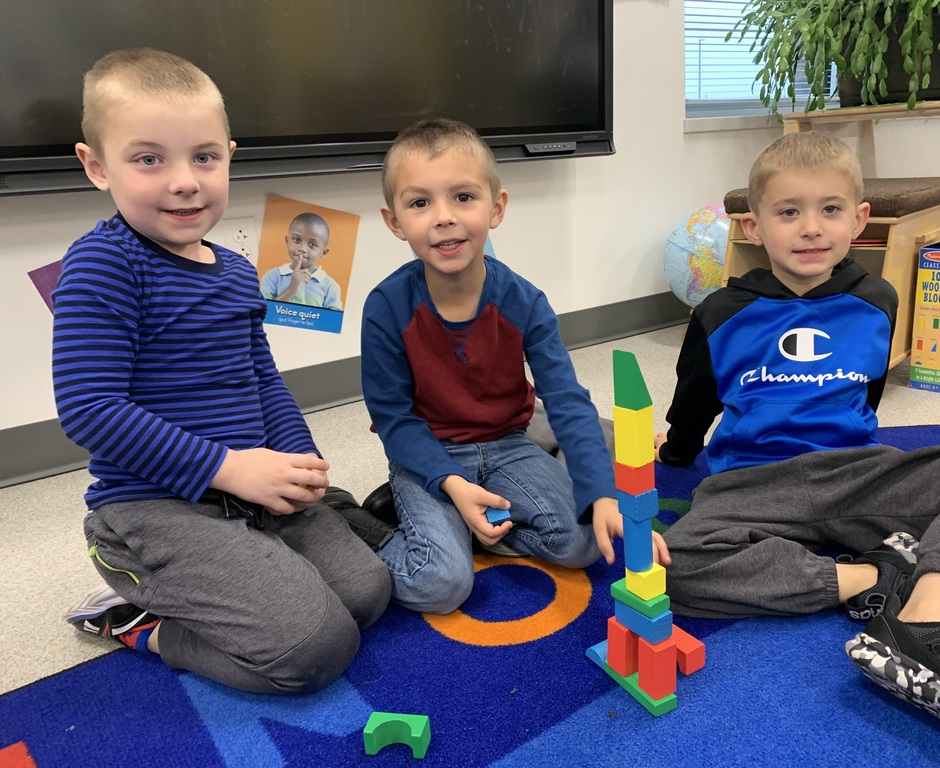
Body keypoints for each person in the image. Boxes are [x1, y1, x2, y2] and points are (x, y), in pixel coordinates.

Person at [655, 131, 940, 752]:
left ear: (859, 220)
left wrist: (875, 467)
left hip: (856, 472)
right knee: (671, 570)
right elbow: (694, 399)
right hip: (751, 483)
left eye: (830, 210)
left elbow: (866, 398)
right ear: (753, 225)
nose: (811, 229)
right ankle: (872, 574)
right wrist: (676, 453)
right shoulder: (719, 312)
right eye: (788, 212)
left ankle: (931, 608)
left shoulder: (878, 300)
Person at [54, 48, 390, 695]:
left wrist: (298, 456)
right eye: (149, 158)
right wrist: (231, 469)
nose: (185, 180)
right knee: (315, 648)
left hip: (249, 492)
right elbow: (90, 409)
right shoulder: (103, 264)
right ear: (96, 166)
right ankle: (137, 620)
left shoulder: (236, 271)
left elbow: (262, 378)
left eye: (204, 156)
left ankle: (264, 564)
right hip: (153, 508)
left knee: (368, 594)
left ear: (229, 155)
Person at [360, 117, 669, 614]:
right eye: (420, 203)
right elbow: (394, 420)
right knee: (440, 584)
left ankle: (475, 530)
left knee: (586, 542)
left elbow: (567, 401)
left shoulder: (524, 300)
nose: (444, 217)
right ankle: (371, 528)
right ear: (395, 221)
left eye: (463, 197)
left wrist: (603, 496)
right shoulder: (386, 306)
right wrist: (453, 485)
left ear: (496, 207)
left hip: (508, 444)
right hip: (428, 456)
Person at [260, 211, 344, 310]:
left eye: (312, 244)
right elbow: (263, 314)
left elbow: (332, 323)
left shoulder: (330, 286)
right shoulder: (272, 276)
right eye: (297, 240)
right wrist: (291, 289)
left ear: (323, 252)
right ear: (287, 241)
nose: (302, 248)